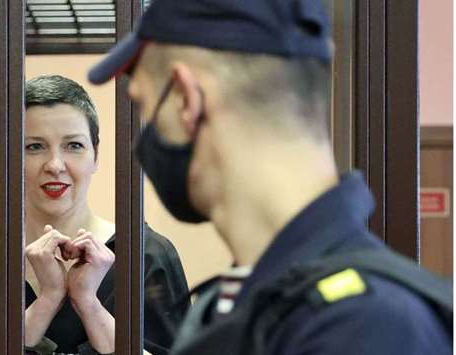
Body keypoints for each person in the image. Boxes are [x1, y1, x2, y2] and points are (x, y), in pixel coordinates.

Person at [88, 0, 453, 354]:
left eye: (146, 106)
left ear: (186, 99)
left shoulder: (364, 324)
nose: (146, 135)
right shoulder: (240, 300)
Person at [0, 75, 189, 355]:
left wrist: (89, 305)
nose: (54, 165)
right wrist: (46, 302)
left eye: (73, 145)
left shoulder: (147, 257)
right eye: (34, 147)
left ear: (95, 155)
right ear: (9, 158)